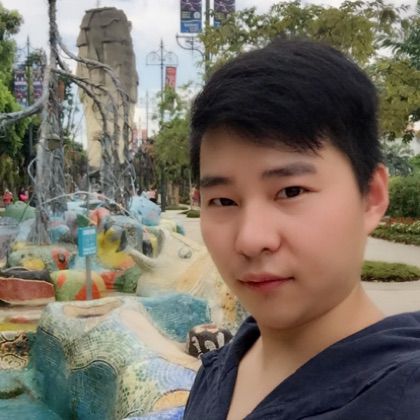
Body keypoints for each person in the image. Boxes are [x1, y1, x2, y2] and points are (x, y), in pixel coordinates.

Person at [184, 39, 420, 419]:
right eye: (223, 201)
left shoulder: (403, 399)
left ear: (371, 197)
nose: (251, 240)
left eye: (291, 191)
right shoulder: (217, 370)